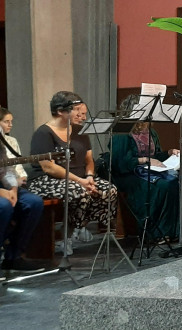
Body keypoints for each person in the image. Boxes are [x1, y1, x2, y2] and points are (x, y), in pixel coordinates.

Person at [28, 91, 118, 253]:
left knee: (109, 189)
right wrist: (81, 181)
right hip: (46, 180)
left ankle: (79, 225)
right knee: (79, 191)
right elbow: (49, 167)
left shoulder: (79, 131)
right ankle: (66, 236)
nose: (81, 115)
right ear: (60, 111)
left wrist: (89, 176)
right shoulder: (43, 133)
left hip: (81, 177)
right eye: (77, 110)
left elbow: (89, 159)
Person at [110, 119, 181, 241]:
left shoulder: (151, 132)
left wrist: (169, 153)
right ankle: (155, 233)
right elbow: (120, 162)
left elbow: (156, 156)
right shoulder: (122, 132)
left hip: (149, 169)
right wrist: (145, 160)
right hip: (129, 173)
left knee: (173, 182)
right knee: (161, 185)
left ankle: (172, 232)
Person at [0, 107, 44, 275]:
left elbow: (7, 168)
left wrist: (12, 188)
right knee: (4, 206)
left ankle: (14, 256)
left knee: (33, 202)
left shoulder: (3, 138)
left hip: (5, 185)